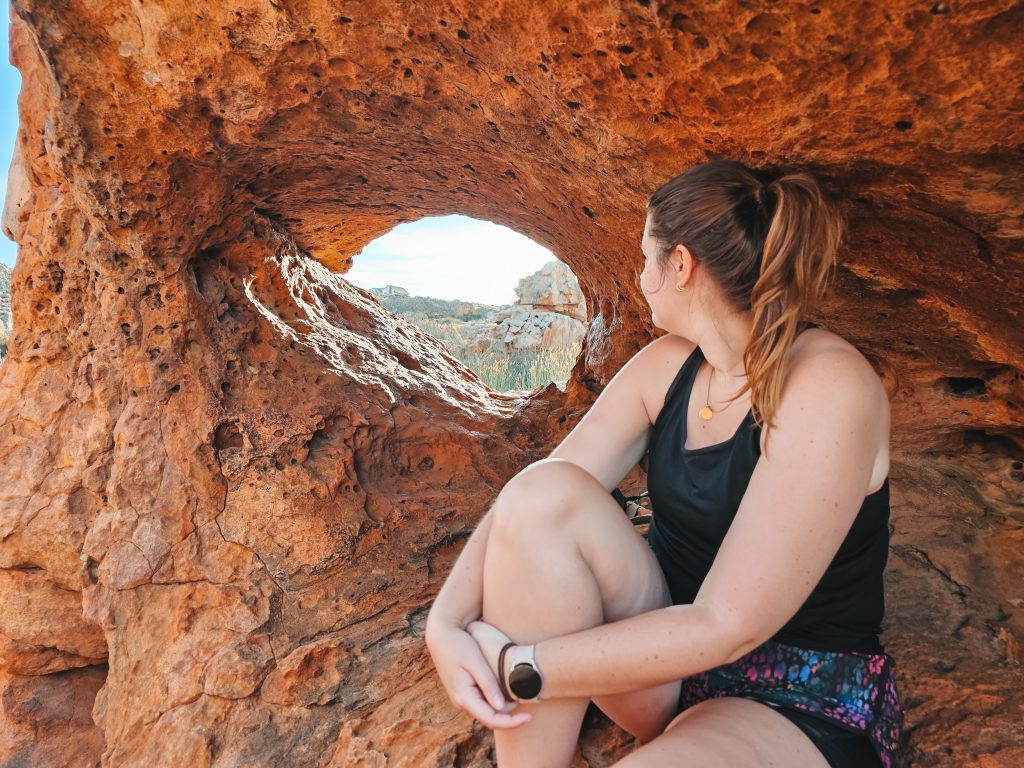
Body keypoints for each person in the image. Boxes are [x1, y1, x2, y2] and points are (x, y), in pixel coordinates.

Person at [425, 159, 904, 768]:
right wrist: (446, 625)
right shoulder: (670, 363)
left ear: (680, 265)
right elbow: (532, 499)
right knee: (546, 494)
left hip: (790, 690)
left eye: (644, 258)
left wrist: (520, 667)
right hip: (659, 663)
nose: (637, 276)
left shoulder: (829, 386)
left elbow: (728, 624)